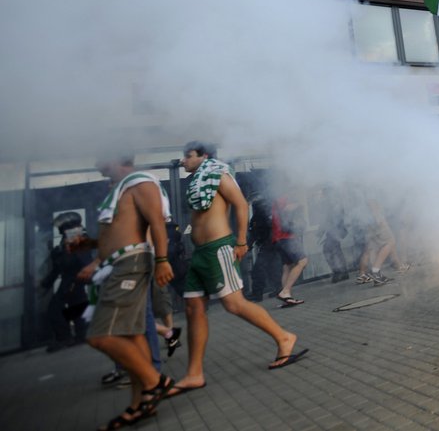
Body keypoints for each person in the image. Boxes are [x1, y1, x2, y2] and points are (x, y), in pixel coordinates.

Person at [171, 141, 307, 397]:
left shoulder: (218, 173)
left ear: (204, 156)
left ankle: (284, 337)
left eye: (188, 156)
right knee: (193, 308)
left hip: (218, 248)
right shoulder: (199, 180)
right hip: (200, 253)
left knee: (233, 304)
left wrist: (242, 240)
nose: (183, 161)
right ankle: (194, 374)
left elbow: (241, 205)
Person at [72, 154, 175, 429]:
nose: (96, 161)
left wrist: (163, 260)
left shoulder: (140, 182)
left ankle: (157, 382)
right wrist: (91, 244)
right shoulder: (121, 188)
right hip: (117, 265)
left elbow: (157, 223)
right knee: (133, 336)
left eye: (101, 155)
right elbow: (121, 231)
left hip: (130, 266)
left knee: (101, 336)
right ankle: (139, 404)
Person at [40, 212, 92, 352]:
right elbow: (59, 266)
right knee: (76, 308)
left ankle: (65, 338)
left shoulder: (77, 237)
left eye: (61, 224)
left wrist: (75, 280)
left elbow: (84, 262)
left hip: (74, 279)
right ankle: (79, 336)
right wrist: (46, 283)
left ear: (68, 225)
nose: (59, 227)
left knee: (56, 309)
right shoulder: (67, 239)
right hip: (70, 279)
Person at [270, 194, 308, 306]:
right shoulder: (283, 197)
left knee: (287, 266)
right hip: (287, 237)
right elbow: (287, 210)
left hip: (278, 239)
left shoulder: (275, 199)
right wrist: (299, 204)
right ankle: (285, 291)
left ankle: (286, 297)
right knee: (302, 261)